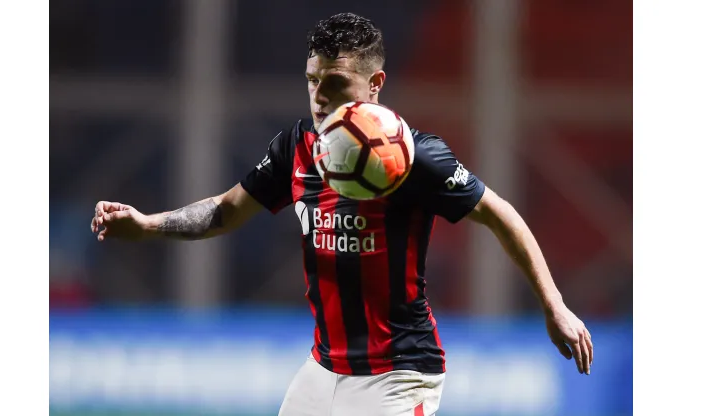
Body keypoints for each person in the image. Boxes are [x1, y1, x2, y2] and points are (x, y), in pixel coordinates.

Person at [90, 12, 593, 416]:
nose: (319, 96)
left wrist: (554, 305)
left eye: (334, 81)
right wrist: (148, 224)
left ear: (375, 82)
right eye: (312, 81)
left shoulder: (416, 156)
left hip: (397, 376)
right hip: (322, 370)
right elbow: (225, 211)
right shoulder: (297, 145)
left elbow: (501, 214)